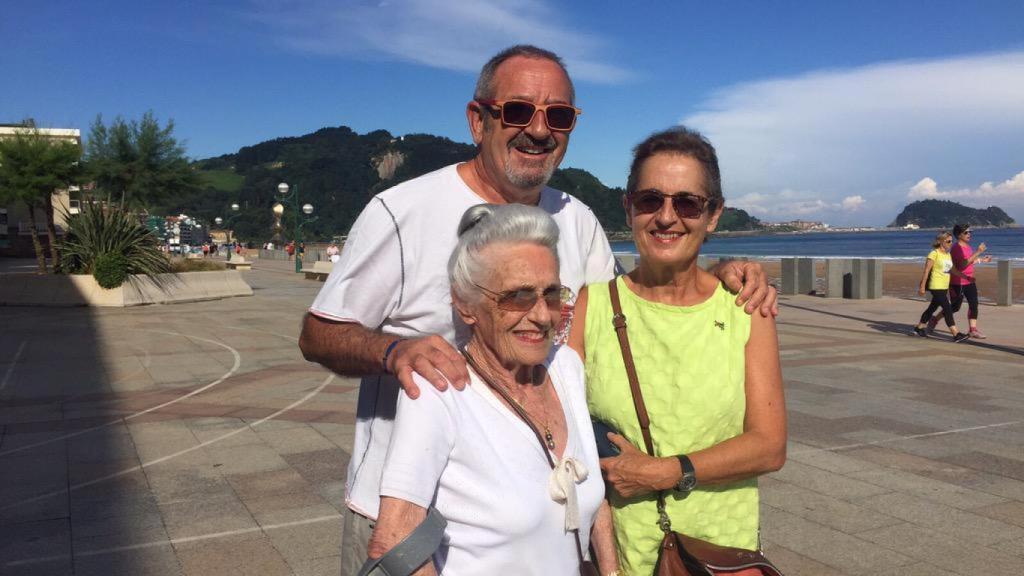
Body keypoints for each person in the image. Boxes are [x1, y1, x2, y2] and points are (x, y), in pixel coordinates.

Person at [297, 45, 776, 574]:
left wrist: (725, 272)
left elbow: (630, 311)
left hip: (543, 517)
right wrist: (393, 350)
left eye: (559, 116)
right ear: (478, 120)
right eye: (519, 111)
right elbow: (319, 332)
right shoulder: (402, 212)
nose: (540, 130)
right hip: (407, 506)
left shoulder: (577, 220)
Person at [568, 127, 787, 575]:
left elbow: (769, 446)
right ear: (629, 208)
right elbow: (561, 435)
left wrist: (667, 471)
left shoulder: (747, 308)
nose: (667, 217)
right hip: (616, 556)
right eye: (650, 200)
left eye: (687, 203)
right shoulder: (589, 306)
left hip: (720, 554)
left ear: (713, 216)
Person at [371, 204, 617, 574]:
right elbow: (392, 539)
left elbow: (592, 495)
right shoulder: (440, 390)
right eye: (517, 296)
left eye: (551, 294)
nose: (541, 315)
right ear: (465, 304)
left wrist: (612, 571)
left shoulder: (565, 366)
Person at [926, 224, 990, 338]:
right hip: (957, 282)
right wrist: (978, 251)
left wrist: (981, 260)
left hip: (969, 280)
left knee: (974, 304)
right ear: (958, 235)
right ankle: (934, 319)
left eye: (970, 232)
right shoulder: (956, 248)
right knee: (955, 307)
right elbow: (962, 265)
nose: (969, 234)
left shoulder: (967, 247)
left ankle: (973, 330)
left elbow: (969, 261)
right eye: (966, 232)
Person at [913, 231, 970, 342]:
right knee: (947, 308)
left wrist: (965, 276)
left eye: (951, 241)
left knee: (932, 308)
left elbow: (951, 270)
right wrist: (922, 286)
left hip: (944, 286)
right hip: (936, 285)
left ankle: (918, 328)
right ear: (941, 242)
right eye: (948, 241)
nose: (950, 243)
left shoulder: (948, 255)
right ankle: (956, 334)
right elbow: (926, 271)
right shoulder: (934, 253)